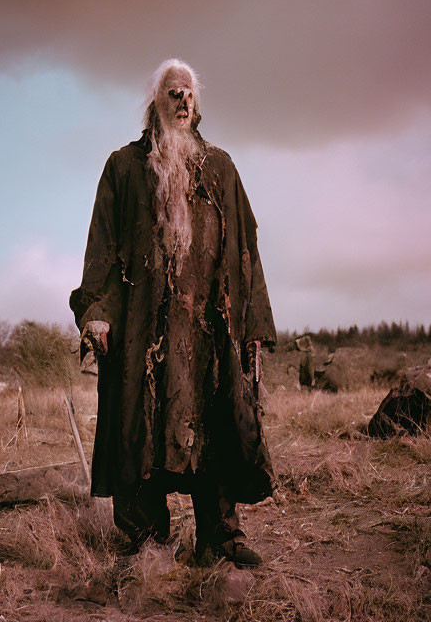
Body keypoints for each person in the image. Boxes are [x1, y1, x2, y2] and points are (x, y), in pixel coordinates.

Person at [69, 59, 276, 567]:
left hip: (209, 327)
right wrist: (96, 310)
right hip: (143, 327)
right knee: (140, 426)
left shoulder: (222, 169)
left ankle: (220, 538)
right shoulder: (123, 167)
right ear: (154, 103)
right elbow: (103, 242)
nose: (181, 100)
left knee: (217, 422)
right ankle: (146, 541)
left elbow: (247, 249)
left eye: (188, 93)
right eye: (171, 92)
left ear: (197, 104)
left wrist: (252, 328)